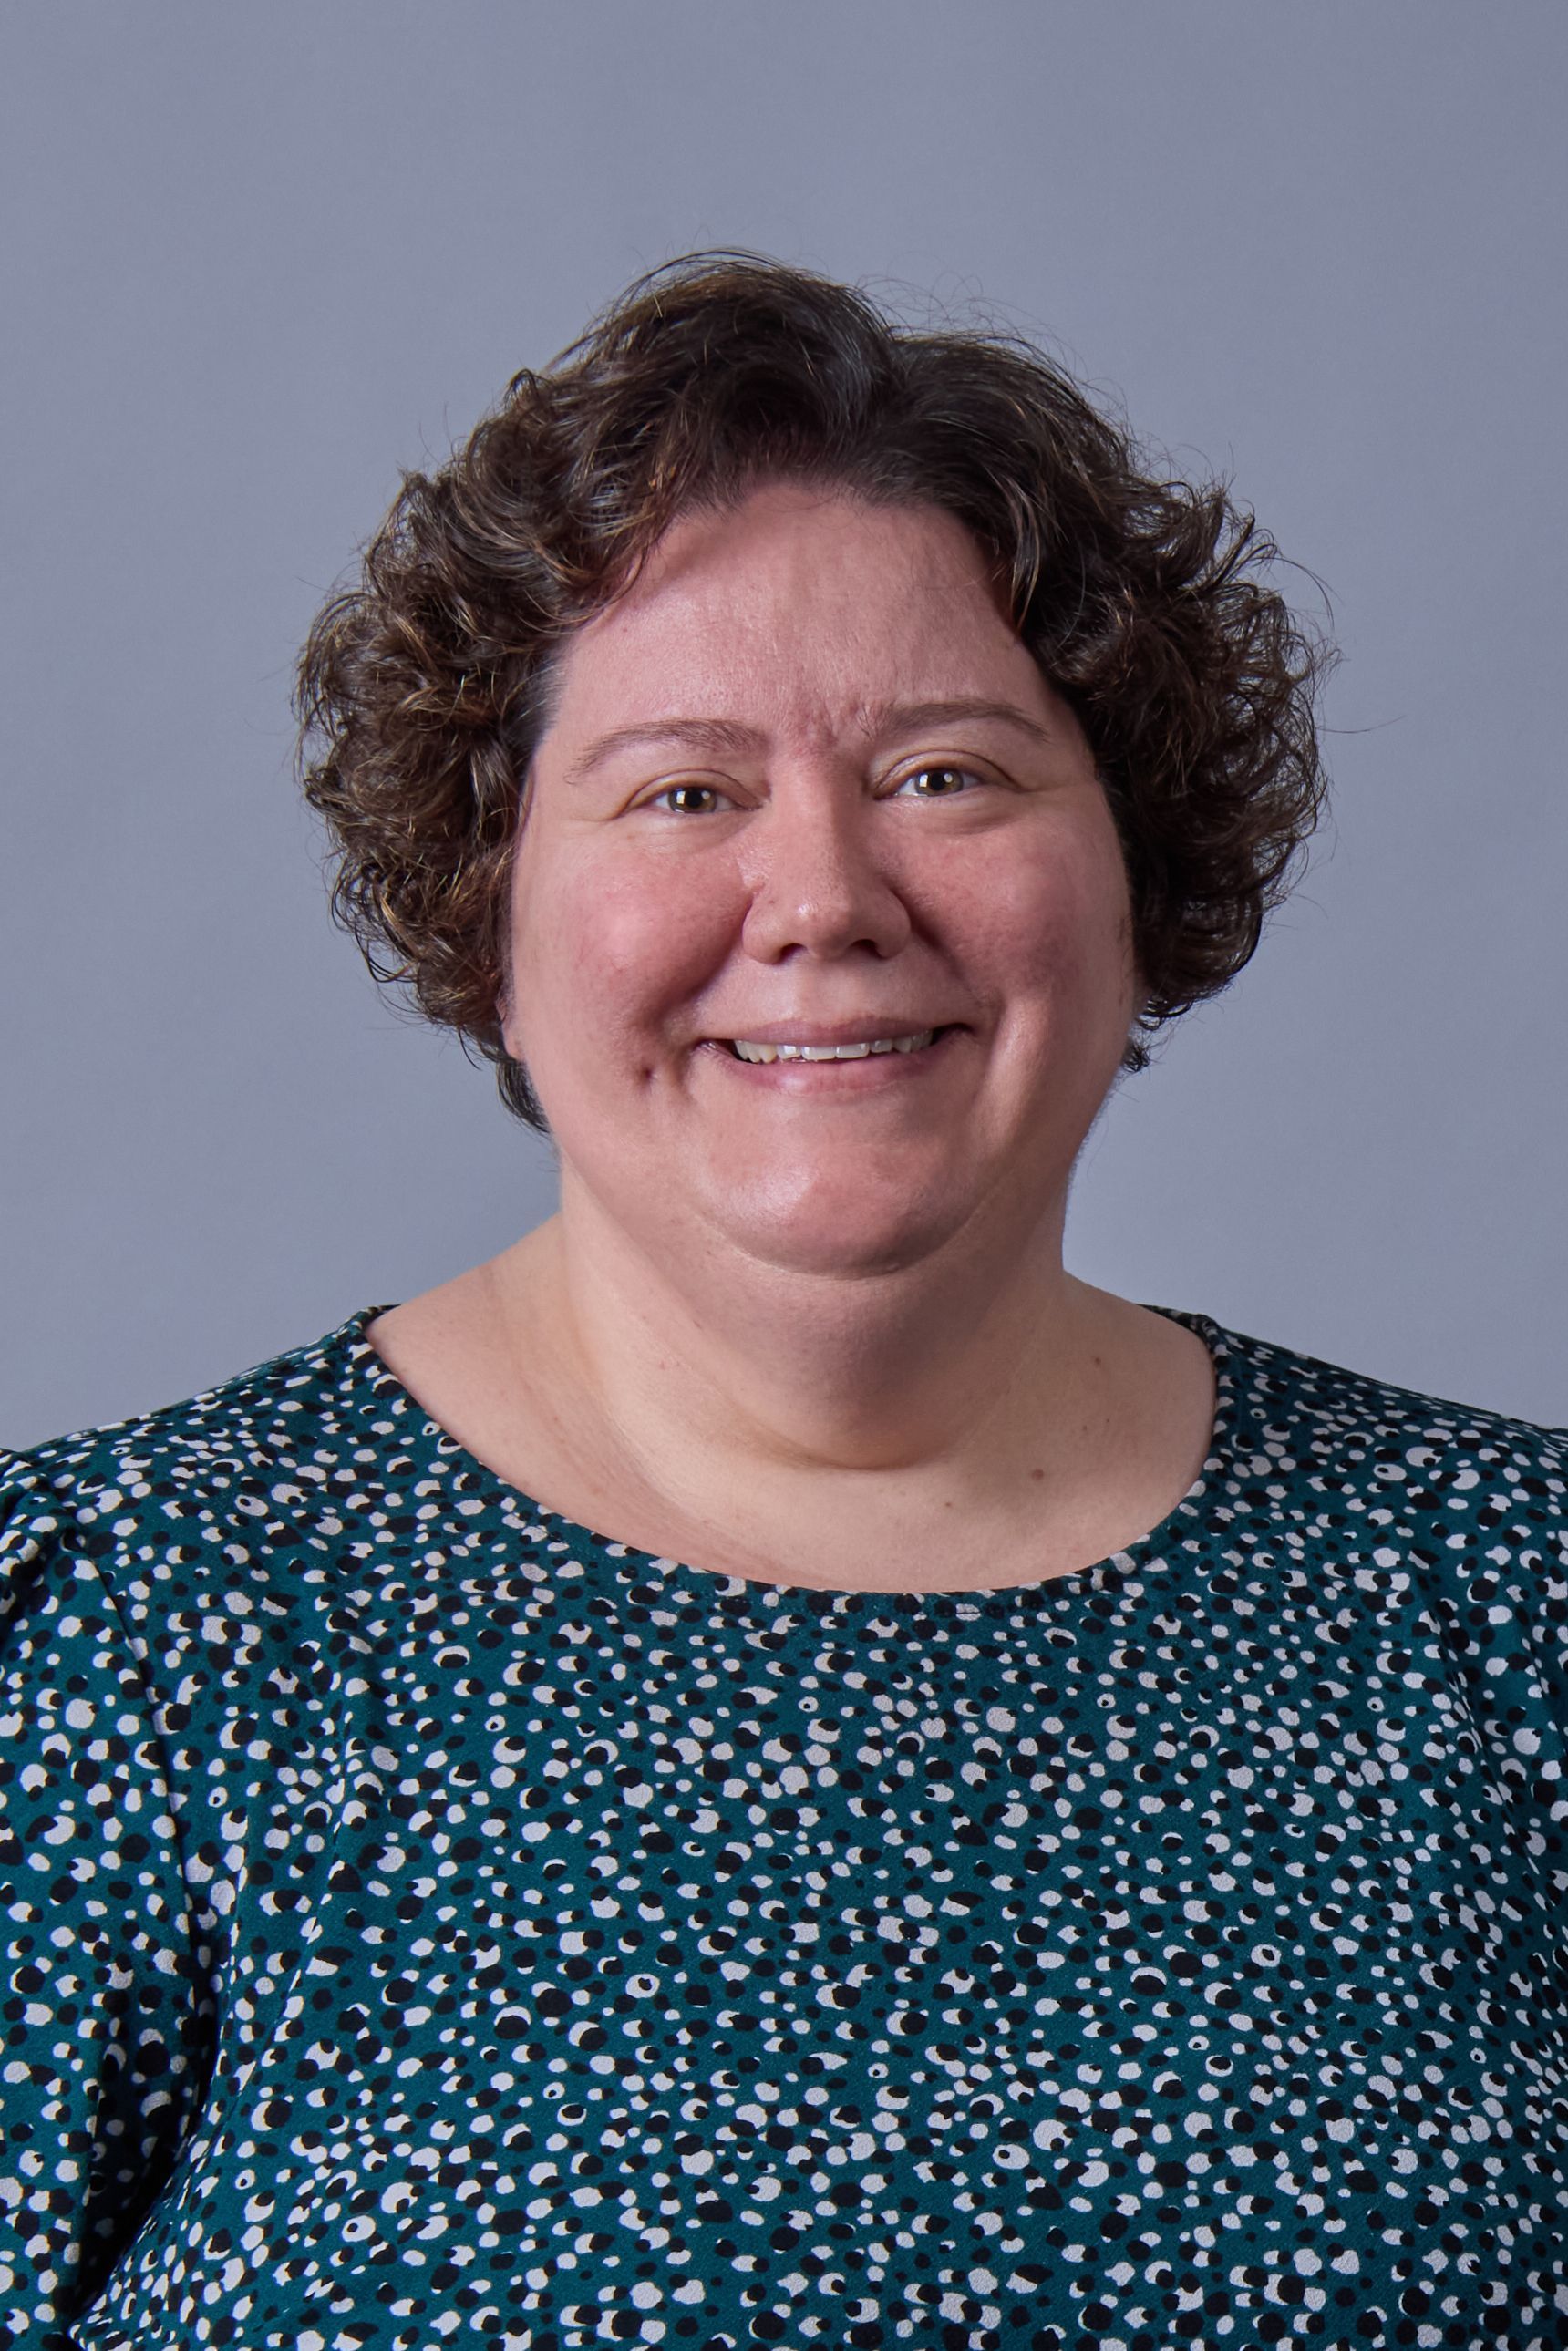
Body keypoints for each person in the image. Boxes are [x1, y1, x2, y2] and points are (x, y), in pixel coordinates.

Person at [2, 255, 1563, 2351]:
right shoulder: (116, 1643)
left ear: (1133, 875)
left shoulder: (1505, 1603)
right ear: (488, 906)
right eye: (684, 791)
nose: (822, 898)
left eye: (945, 774)